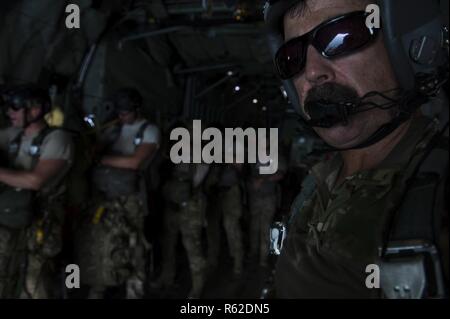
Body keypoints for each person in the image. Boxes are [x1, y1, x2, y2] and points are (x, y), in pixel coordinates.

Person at [265, 0, 449, 298]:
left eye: (341, 37)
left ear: (404, 41)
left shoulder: (438, 193)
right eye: (292, 57)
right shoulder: (319, 178)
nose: (311, 72)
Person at [75, 87, 160, 299]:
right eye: (120, 112)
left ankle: (134, 292)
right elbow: (93, 150)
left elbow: (135, 162)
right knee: (99, 241)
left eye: (126, 112)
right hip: (104, 195)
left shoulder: (149, 130)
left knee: (134, 245)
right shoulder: (113, 128)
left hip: (131, 198)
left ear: (137, 109)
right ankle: (97, 289)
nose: (122, 117)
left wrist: (100, 160)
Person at [0, 84, 73, 298]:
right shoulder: (14, 134)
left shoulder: (57, 139)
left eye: (15, 108)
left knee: (34, 283)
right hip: (11, 217)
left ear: (34, 110)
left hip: (41, 221)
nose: (9, 113)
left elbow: (36, 181)